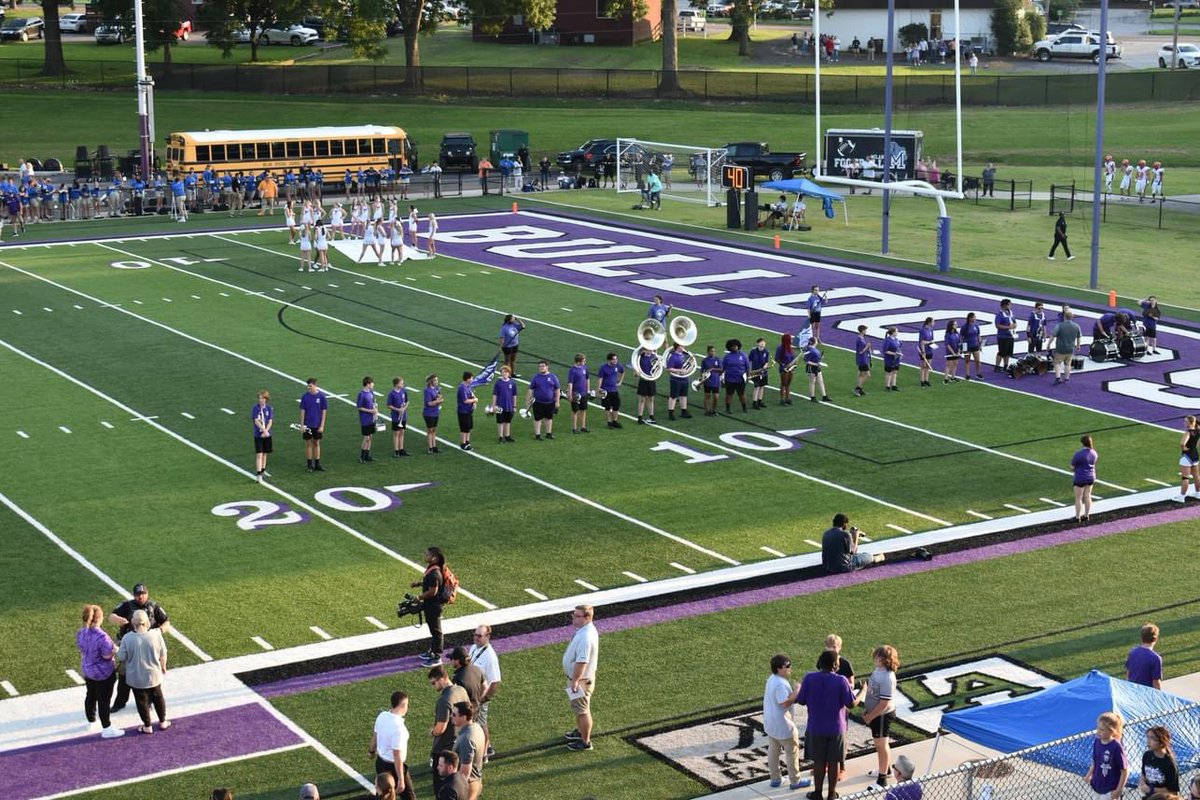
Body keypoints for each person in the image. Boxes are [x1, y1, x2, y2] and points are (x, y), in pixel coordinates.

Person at [798, 649, 856, 800]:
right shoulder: (841, 680)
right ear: (835, 665)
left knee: (818, 762)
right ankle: (831, 794)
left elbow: (801, 700)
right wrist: (862, 692)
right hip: (836, 729)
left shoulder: (809, 678)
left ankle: (817, 793)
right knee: (834, 762)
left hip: (816, 727)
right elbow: (851, 704)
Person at [108, 583, 170, 712]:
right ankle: (120, 702)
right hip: (130, 645)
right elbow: (111, 617)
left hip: (147, 646)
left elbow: (166, 622)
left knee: (149, 676)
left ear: (147, 594)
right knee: (124, 676)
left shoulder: (153, 606)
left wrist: (160, 631)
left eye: (143, 594)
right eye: (138, 594)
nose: (140, 597)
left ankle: (150, 701)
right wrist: (119, 620)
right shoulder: (127, 606)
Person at [115, 609, 168, 734]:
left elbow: (122, 657)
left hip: (136, 677)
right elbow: (163, 653)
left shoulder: (127, 638)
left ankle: (147, 725)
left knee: (141, 701)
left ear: (133, 623)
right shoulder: (156, 634)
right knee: (158, 698)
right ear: (147, 622)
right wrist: (163, 666)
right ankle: (163, 722)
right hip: (154, 675)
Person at [856, 645, 900, 790]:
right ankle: (885, 770)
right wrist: (867, 709)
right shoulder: (879, 670)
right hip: (876, 714)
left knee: (882, 745)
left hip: (881, 716)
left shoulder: (887, 677)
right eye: (875, 656)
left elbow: (884, 703)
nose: (875, 658)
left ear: (887, 660)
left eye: (879, 657)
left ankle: (882, 780)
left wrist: (870, 717)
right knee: (880, 745)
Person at [77, 604, 123, 738]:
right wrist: (115, 649)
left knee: (90, 695)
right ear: (99, 618)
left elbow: (82, 649)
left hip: (88, 670)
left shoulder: (81, 633)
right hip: (103, 673)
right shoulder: (102, 637)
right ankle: (107, 727)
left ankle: (91, 720)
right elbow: (106, 655)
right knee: (104, 700)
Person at [762, 654, 805, 791]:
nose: (790, 668)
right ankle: (795, 781)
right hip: (784, 726)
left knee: (773, 751)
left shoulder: (772, 679)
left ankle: (775, 779)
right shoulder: (780, 684)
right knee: (791, 753)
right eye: (787, 666)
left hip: (771, 724)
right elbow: (784, 703)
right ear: (779, 668)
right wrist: (798, 690)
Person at [429, 666, 470, 797]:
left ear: (441, 680)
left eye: (433, 683)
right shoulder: (461, 690)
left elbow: (441, 727)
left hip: (443, 747)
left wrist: (432, 732)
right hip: (457, 743)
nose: (433, 686)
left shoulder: (444, 700)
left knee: (440, 788)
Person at [563, 605, 599, 752]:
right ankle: (580, 731)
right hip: (580, 679)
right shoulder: (585, 631)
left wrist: (575, 681)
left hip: (581, 681)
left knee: (583, 710)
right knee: (579, 709)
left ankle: (585, 741)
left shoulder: (586, 637)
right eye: (573, 615)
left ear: (587, 617)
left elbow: (582, 661)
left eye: (577, 616)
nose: (573, 618)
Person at [369, 691, 415, 800]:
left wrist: (371, 751)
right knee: (409, 797)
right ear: (403, 705)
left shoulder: (382, 716)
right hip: (393, 767)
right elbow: (397, 755)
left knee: (382, 795)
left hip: (380, 763)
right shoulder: (399, 728)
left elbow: (375, 736)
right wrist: (401, 779)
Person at [468, 625, 502, 760]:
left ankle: (486, 750)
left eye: (479, 636)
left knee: (481, 722)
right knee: (475, 721)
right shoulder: (474, 648)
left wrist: (484, 698)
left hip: (480, 696)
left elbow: (496, 681)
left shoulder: (490, 656)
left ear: (488, 637)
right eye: (475, 634)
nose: (476, 638)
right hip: (472, 695)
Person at [412, 547, 449, 666]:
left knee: (436, 631)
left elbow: (433, 591)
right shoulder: (433, 570)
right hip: (431, 605)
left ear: (434, 558)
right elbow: (430, 582)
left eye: (427, 554)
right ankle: (432, 651)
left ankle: (437, 657)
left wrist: (419, 597)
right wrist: (419, 584)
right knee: (433, 630)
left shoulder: (435, 573)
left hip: (434, 606)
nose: (425, 555)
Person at [1085, 712, 1128, 800]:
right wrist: (1089, 775)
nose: (1098, 731)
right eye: (1098, 728)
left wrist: (1118, 790)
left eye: (1102, 730)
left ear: (1112, 731)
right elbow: (1096, 761)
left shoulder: (1116, 747)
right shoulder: (1097, 742)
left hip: (1110, 788)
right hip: (1097, 786)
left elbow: (1125, 769)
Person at [451, 702, 486, 800]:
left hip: (468, 785)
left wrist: (457, 789)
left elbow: (465, 772)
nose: (451, 716)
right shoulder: (476, 727)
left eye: (454, 714)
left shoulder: (467, 739)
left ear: (464, 717)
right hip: (476, 781)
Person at [1140, 727, 1180, 798]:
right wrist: (1142, 783)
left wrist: (1151, 789)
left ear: (1162, 742)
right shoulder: (1147, 755)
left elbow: (1172, 792)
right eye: (1147, 737)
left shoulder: (1169, 763)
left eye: (1152, 738)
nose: (1148, 741)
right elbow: (1143, 773)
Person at [525, 360, 561, 440]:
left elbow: (557, 390)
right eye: (540, 366)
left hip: (550, 402)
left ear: (547, 367)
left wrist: (557, 401)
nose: (541, 368)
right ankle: (537, 435)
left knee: (549, 418)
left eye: (543, 366)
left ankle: (548, 433)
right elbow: (530, 390)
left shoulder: (553, 377)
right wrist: (527, 400)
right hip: (538, 402)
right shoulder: (536, 377)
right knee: (537, 418)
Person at [299, 377, 328, 472]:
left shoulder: (321, 397)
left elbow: (324, 412)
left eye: (310, 386)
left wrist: (322, 425)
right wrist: (302, 424)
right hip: (308, 424)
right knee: (308, 444)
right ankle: (309, 465)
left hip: (317, 424)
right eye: (308, 386)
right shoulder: (305, 397)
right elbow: (302, 411)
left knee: (316, 443)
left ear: (315, 385)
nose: (308, 388)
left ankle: (317, 464)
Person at [448, 645, 487, 715]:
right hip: (477, 710)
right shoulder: (476, 669)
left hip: (466, 715)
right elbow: (485, 687)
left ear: (457, 661)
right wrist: (478, 702)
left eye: (452, 659)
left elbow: (454, 701)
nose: (451, 661)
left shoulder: (458, 679)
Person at [248, 389, 275, 483]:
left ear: (266, 399)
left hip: (267, 434)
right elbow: (256, 421)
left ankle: (263, 470)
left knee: (265, 453)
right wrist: (263, 431)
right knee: (259, 454)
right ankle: (259, 474)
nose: (260, 400)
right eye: (259, 398)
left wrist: (266, 431)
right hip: (259, 435)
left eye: (262, 398)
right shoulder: (255, 408)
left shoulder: (269, 408)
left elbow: (270, 421)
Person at [1126, 623, 1163, 688]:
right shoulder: (1155, 658)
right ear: (1155, 639)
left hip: (1132, 690)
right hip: (1146, 693)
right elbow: (1156, 681)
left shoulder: (1133, 652)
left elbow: (1128, 673)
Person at [1050, 309, 1082, 384]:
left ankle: (1058, 377)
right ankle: (1067, 377)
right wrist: (1078, 345)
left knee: (1057, 363)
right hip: (1070, 348)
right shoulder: (1076, 326)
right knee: (1068, 364)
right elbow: (1079, 337)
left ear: (1064, 317)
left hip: (1060, 348)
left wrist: (1049, 344)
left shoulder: (1060, 326)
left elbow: (1053, 335)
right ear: (1072, 317)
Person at [1072, 434, 1098, 523]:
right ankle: (1086, 515)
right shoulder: (1094, 453)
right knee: (1087, 496)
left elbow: (1072, 466)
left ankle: (1077, 517)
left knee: (1078, 498)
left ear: (1082, 443)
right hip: (1091, 477)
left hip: (1080, 477)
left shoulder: (1079, 454)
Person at [1174, 417, 1200, 504]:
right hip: (1195, 455)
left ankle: (1182, 497)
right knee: (1196, 475)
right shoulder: (1197, 431)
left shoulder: (1188, 432)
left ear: (1190, 422)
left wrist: (1184, 448)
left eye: (1186, 422)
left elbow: (1182, 443)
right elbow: (1197, 443)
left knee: (1185, 477)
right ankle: (1198, 493)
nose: (1184, 423)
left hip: (1187, 456)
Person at [597, 352, 625, 429]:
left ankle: (615, 421)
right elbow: (600, 379)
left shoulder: (618, 366)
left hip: (614, 390)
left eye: (616, 359)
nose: (615, 360)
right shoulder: (603, 368)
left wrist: (620, 382)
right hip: (605, 391)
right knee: (607, 407)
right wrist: (598, 389)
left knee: (616, 406)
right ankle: (609, 422)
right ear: (609, 360)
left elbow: (622, 371)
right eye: (614, 359)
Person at [665, 343, 693, 420]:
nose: (684, 346)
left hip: (685, 378)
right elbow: (669, 368)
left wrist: (688, 370)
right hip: (675, 379)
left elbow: (691, 365)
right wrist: (680, 370)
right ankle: (671, 413)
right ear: (677, 347)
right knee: (673, 396)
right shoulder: (673, 356)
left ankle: (684, 411)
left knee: (684, 395)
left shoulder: (685, 355)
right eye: (682, 345)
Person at [722, 338, 750, 413]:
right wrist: (721, 379)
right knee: (729, 394)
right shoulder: (727, 357)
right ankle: (728, 409)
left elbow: (748, 367)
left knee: (742, 394)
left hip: (740, 379)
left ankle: (744, 408)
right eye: (732, 346)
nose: (734, 347)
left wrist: (748, 377)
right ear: (730, 347)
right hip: (729, 379)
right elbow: (722, 368)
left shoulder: (743, 355)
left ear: (738, 346)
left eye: (736, 346)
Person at [567, 353, 592, 433]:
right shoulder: (572, 370)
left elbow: (587, 379)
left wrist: (588, 390)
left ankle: (583, 427)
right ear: (578, 361)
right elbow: (570, 383)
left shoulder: (585, 368)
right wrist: (570, 394)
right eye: (583, 361)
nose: (585, 362)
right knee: (575, 411)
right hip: (576, 394)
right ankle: (574, 428)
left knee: (583, 409)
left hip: (584, 393)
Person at [492, 365, 518, 444]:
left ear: (508, 373)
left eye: (505, 372)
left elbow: (514, 395)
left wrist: (514, 405)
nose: (504, 374)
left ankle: (507, 436)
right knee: (500, 422)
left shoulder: (512, 383)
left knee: (508, 421)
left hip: (509, 406)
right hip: (500, 406)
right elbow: (495, 395)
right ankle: (500, 437)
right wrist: (494, 405)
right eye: (502, 372)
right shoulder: (498, 383)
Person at [634, 346, 659, 425]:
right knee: (642, 399)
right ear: (645, 350)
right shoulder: (640, 358)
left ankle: (651, 415)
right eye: (648, 349)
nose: (650, 350)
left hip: (651, 380)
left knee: (651, 399)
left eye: (651, 349)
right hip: (643, 380)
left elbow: (657, 368)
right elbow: (636, 370)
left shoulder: (654, 357)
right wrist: (636, 373)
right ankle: (640, 417)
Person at [356, 376, 378, 463]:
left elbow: (374, 403)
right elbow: (359, 407)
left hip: (371, 418)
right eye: (372, 383)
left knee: (370, 436)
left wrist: (376, 409)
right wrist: (370, 411)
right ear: (368, 384)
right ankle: (362, 456)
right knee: (366, 437)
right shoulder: (361, 394)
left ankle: (367, 455)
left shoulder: (371, 393)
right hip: (365, 419)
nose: (373, 384)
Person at [388, 377, 410, 458]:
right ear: (397, 384)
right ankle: (396, 450)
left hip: (403, 416)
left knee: (402, 432)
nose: (403, 384)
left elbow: (407, 401)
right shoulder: (392, 394)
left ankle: (401, 449)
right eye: (401, 383)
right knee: (396, 433)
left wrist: (404, 408)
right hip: (395, 416)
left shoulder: (404, 391)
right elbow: (389, 405)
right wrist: (397, 409)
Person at [747, 338, 770, 410]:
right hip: (756, 372)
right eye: (761, 342)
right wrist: (750, 371)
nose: (763, 343)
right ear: (757, 344)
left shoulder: (766, 351)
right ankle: (754, 402)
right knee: (757, 387)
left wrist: (765, 366)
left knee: (762, 386)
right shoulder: (753, 352)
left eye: (764, 342)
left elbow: (767, 361)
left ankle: (759, 401)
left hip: (763, 372)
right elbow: (749, 361)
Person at [456, 371, 477, 451]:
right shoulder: (462, 387)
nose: (472, 379)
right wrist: (475, 400)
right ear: (467, 378)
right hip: (463, 411)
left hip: (469, 410)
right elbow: (465, 400)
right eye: (471, 378)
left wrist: (474, 401)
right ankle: (463, 443)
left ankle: (467, 441)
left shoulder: (468, 386)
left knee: (468, 427)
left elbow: (471, 395)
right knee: (464, 427)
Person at [700, 345, 722, 416]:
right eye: (711, 351)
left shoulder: (717, 359)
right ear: (708, 352)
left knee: (716, 397)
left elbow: (721, 369)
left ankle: (714, 410)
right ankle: (707, 411)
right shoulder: (705, 360)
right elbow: (702, 371)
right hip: (708, 382)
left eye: (714, 351)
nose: (713, 352)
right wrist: (701, 379)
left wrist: (713, 369)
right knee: (707, 396)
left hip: (716, 381)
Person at [994, 299, 1016, 374]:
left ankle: (1005, 365)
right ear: (1005, 305)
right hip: (1002, 336)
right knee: (1002, 352)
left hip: (1010, 335)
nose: (1011, 306)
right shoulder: (999, 314)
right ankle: (996, 366)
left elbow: (1014, 321)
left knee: (1008, 352)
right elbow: (997, 325)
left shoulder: (1010, 313)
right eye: (1009, 304)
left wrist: (1014, 325)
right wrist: (1007, 327)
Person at [423, 374, 443, 455]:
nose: (437, 381)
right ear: (431, 381)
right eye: (435, 380)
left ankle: (434, 446)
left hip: (435, 412)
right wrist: (438, 401)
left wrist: (439, 398)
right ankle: (430, 447)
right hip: (429, 413)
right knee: (430, 430)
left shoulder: (436, 389)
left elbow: (438, 398)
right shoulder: (427, 390)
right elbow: (429, 403)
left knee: (434, 430)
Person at [775, 332, 797, 404]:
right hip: (784, 368)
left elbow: (792, 358)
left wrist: (794, 365)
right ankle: (782, 399)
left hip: (791, 368)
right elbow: (777, 358)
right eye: (790, 339)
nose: (791, 340)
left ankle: (787, 399)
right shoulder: (780, 348)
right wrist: (783, 365)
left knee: (788, 383)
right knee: (783, 383)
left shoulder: (790, 348)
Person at [805, 338, 830, 403]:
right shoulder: (810, 350)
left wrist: (821, 358)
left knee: (821, 381)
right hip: (811, 367)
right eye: (816, 340)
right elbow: (807, 361)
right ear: (814, 342)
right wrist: (816, 364)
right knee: (812, 382)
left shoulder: (813, 349)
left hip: (817, 367)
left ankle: (824, 396)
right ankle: (812, 397)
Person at [962, 312, 983, 381]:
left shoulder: (976, 326)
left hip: (975, 345)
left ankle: (978, 373)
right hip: (967, 346)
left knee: (978, 361)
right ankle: (967, 374)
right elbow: (962, 337)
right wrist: (963, 347)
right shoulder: (965, 327)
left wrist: (980, 343)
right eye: (974, 317)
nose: (975, 318)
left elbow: (978, 335)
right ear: (970, 318)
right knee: (967, 360)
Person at [882, 325, 902, 392]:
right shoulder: (888, 340)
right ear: (893, 332)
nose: (897, 333)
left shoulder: (896, 340)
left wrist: (900, 354)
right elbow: (885, 350)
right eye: (896, 331)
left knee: (895, 372)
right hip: (889, 359)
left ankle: (894, 386)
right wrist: (894, 354)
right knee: (889, 372)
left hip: (896, 359)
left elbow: (898, 348)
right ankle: (887, 386)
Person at [917, 316, 935, 387]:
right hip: (924, 350)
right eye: (933, 322)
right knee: (923, 366)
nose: (934, 323)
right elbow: (922, 342)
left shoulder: (931, 330)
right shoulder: (922, 330)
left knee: (928, 366)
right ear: (929, 322)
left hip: (930, 349)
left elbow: (932, 339)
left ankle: (926, 380)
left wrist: (931, 342)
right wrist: (923, 352)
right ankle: (922, 381)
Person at [943, 320, 963, 384]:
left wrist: (959, 351)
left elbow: (959, 343)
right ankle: (946, 379)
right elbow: (947, 344)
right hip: (950, 352)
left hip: (956, 351)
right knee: (949, 365)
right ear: (951, 325)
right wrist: (953, 353)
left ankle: (953, 377)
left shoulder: (957, 333)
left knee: (955, 364)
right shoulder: (948, 334)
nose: (956, 325)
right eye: (955, 324)